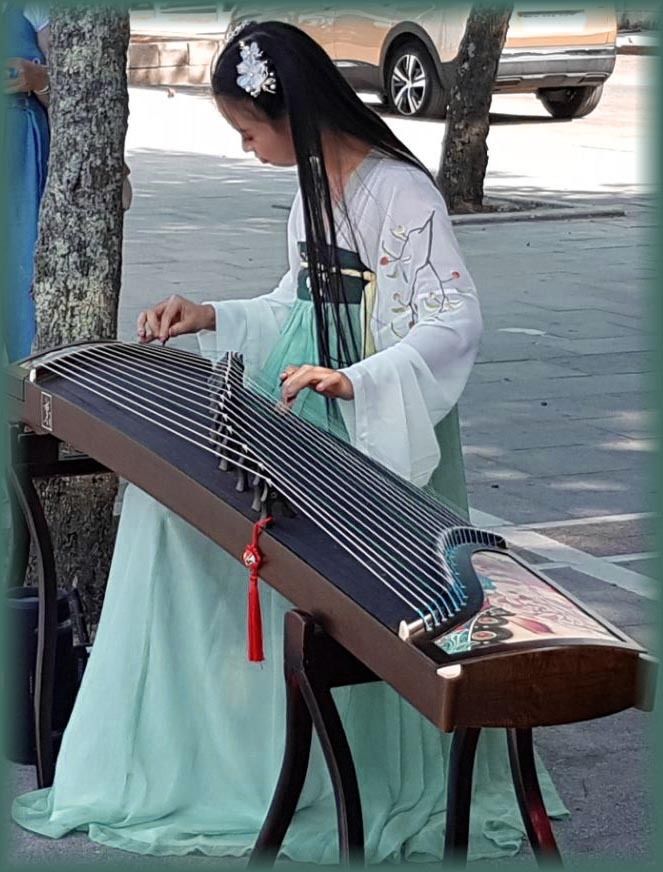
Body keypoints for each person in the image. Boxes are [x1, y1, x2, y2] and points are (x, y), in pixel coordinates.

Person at [12, 21, 567, 863]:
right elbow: (299, 303)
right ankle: (218, 754)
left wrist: (363, 378)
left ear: (293, 113)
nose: (245, 149)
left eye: (248, 131)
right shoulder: (316, 185)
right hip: (312, 402)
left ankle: (317, 765)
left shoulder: (399, 193)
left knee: (323, 590)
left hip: (374, 416)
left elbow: (453, 318)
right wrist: (211, 314)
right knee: (170, 519)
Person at [2, 2, 50, 362]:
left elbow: (79, 92)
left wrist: (38, 79)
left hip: (20, 159)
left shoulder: (32, 7)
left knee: (22, 279)